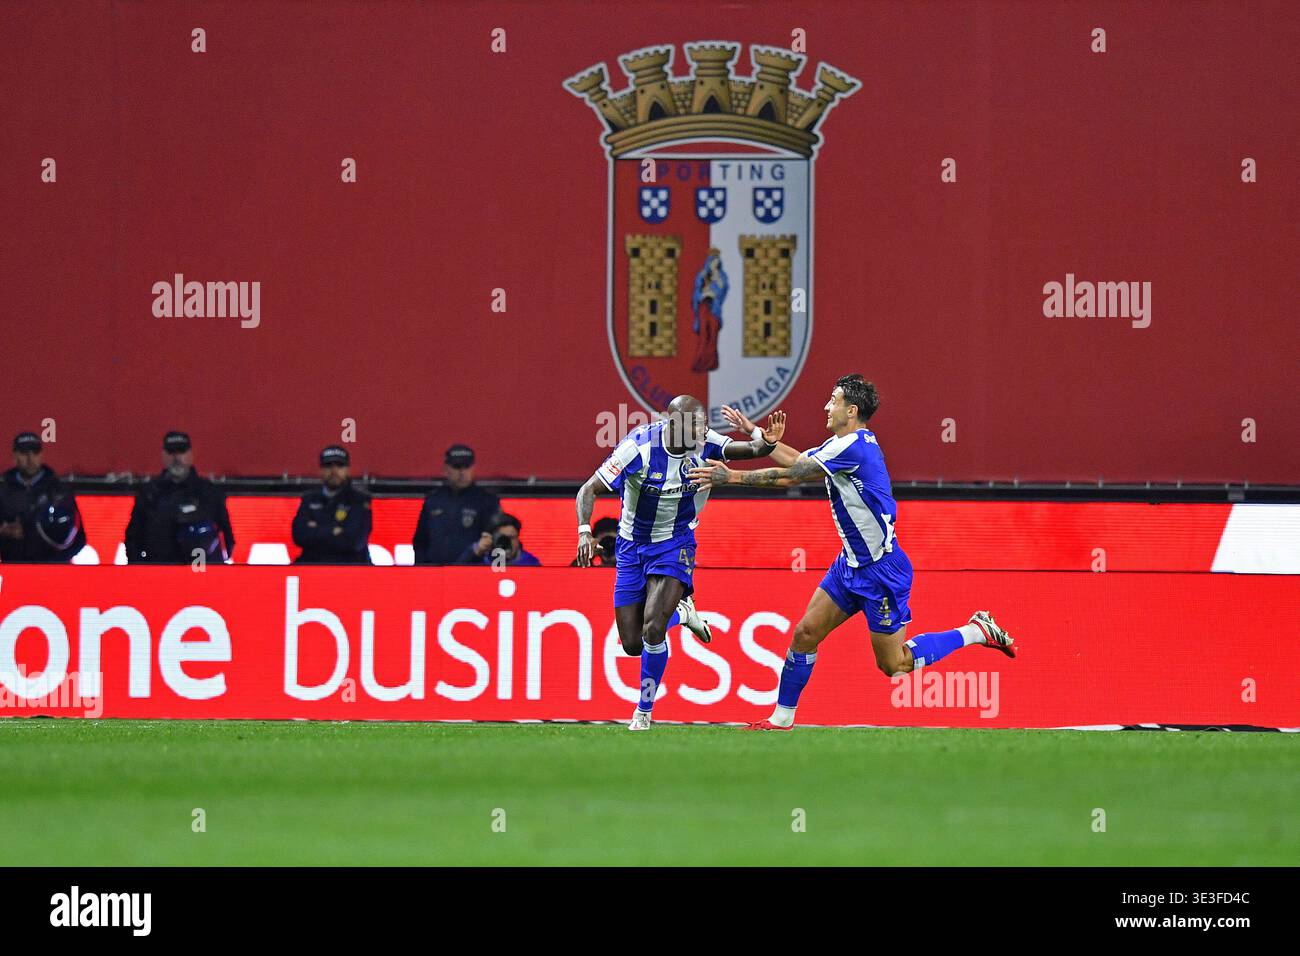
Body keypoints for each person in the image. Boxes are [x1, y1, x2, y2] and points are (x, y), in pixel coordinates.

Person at [688, 374, 1017, 731]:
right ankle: (781, 719)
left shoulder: (853, 447)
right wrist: (757, 435)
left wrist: (731, 478)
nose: (827, 407)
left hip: (882, 572)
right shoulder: (841, 444)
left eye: (833, 400)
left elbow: (792, 476)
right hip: (850, 566)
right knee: (805, 634)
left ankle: (975, 631)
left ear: (851, 409)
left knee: (895, 665)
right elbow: (797, 460)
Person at [575, 394, 786, 731]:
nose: (703, 434)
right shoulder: (638, 448)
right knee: (632, 643)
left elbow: (753, 451)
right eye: (696, 427)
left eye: (704, 427)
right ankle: (682, 613)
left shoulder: (704, 442)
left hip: (676, 543)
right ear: (673, 425)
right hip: (632, 546)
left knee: (653, 628)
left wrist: (764, 439)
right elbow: (588, 490)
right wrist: (585, 532)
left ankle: (642, 712)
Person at [124, 431, 234, 564]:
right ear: (163, 456)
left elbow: (227, 539)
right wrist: (141, 571)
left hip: (199, 572)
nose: (177, 458)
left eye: (181, 451)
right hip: (159, 573)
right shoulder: (149, 494)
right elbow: (133, 539)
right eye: (171, 452)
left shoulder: (210, 493)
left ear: (191, 455)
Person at [0, 431, 87, 563]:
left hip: (52, 568)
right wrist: (5, 531)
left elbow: (78, 537)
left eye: (35, 452)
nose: (30, 458)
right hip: (13, 566)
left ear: (41, 455)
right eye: (24, 453)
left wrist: (55, 563)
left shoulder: (58, 490)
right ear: (15, 455)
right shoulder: (3, 489)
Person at [412, 444, 500, 565]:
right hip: (435, 572)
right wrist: (420, 568)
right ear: (446, 469)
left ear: (473, 468)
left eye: (467, 467)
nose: (462, 472)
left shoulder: (486, 501)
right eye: (457, 467)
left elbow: (497, 541)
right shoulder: (434, 500)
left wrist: (496, 572)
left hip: (472, 572)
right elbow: (420, 541)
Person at [291, 445, 373, 564]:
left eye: (339, 465)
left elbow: (355, 541)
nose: (334, 471)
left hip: (350, 568)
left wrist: (317, 529)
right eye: (328, 466)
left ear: (347, 469)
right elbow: (299, 535)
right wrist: (333, 530)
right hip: (313, 566)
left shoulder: (359, 500)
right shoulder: (309, 499)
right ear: (321, 470)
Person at [458, 512, 539, 567]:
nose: (507, 543)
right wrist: (474, 552)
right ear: (492, 539)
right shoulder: (479, 560)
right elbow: (454, 576)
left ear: (518, 538)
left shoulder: (531, 563)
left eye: (512, 538)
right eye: (503, 538)